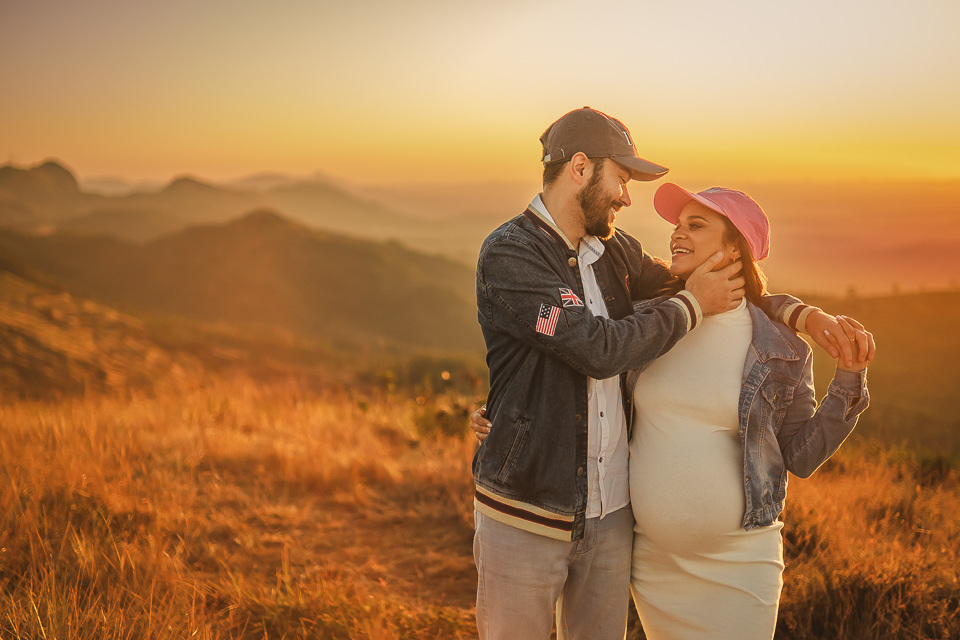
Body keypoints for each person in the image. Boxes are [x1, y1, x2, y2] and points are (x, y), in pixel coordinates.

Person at [471, 106, 869, 640]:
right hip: (529, 509)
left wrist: (801, 315)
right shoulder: (511, 253)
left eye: (693, 225)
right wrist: (509, 416)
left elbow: (728, 291)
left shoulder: (617, 256)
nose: (627, 197)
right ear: (582, 168)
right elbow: (597, 346)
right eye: (622, 178)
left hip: (613, 517)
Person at [625, 183, 871, 639]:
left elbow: (800, 458)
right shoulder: (649, 319)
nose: (677, 234)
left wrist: (848, 381)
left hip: (741, 565)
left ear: (735, 247)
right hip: (654, 562)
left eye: (696, 225)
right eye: (677, 225)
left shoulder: (781, 347)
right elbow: (582, 355)